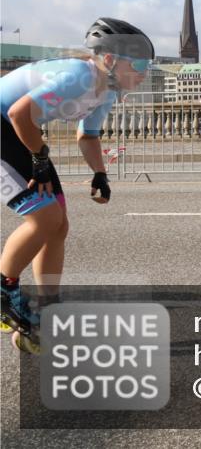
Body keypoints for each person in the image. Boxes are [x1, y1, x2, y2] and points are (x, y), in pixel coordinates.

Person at [0, 18, 153, 352]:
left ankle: (47, 309)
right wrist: (39, 160)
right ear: (110, 59)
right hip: (7, 128)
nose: (144, 72)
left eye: (148, 65)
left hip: (19, 135)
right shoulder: (78, 76)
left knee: (59, 225)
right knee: (44, 219)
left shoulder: (107, 90)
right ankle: (4, 290)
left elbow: (88, 135)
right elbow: (17, 113)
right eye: (138, 63)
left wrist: (100, 174)